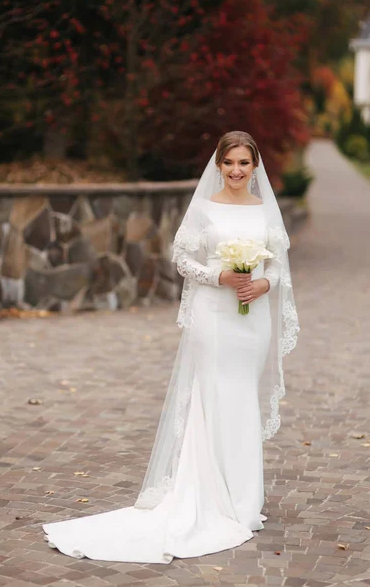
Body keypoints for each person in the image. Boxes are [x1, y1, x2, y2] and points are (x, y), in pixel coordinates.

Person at [42, 131, 299, 563]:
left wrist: (262, 282)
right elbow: (182, 259)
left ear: (256, 167)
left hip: (251, 318)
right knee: (213, 396)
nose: (236, 170)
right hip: (214, 317)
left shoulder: (265, 210)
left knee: (241, 399)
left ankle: (241, 498)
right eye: (229, 162)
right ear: (217, 165)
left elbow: (278, 263)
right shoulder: (202, 207)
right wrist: (218, 277)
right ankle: (209, 496)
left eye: (244, 163)